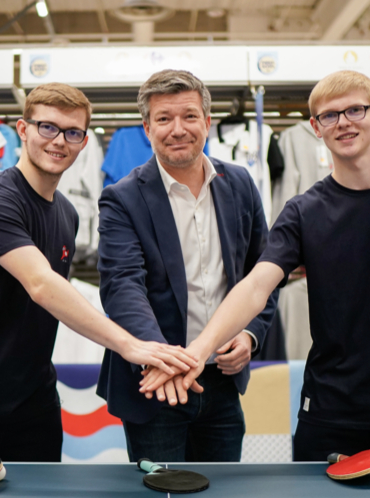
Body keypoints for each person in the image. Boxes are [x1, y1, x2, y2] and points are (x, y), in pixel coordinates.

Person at [142, 70, 370, 461]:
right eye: (329, 116)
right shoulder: (302, 212)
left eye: (355, 110)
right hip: (331, 412)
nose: (343, 123)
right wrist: (200, 350)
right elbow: (255, 286)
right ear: (316, 128)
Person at [0, 83, 198, 463]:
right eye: (47, 127)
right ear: (23, 129)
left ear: (84, 143)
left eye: (72, 133)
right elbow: (40, 284)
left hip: (34, 404)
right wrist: (130, 345)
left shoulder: (67, 214)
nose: (59, 141)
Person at [96, 69, 278, 463]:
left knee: (223, 488)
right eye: (164, 118)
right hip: (156, 385)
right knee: (163, 489)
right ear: (148, 128)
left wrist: (249, 334)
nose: (178, 129)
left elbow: (263, 274)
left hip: (222, 380)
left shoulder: (240, 185)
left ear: (207, 122)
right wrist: (164, 359)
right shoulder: (122, 198)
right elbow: (122, 286)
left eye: (189, 116)